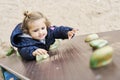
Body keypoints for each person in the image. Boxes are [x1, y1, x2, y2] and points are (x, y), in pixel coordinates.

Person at [10, 11, 78, 61]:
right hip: (34, 64)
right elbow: (24, 51)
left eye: (43, 28)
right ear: (28, 32)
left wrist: (67, 32)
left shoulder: (48, 30)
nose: (41, 32)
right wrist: (34, 51)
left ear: (46, 26)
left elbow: (57, 30)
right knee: (19, 54)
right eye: (35, 30)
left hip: (46, 54)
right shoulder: (24, 41)